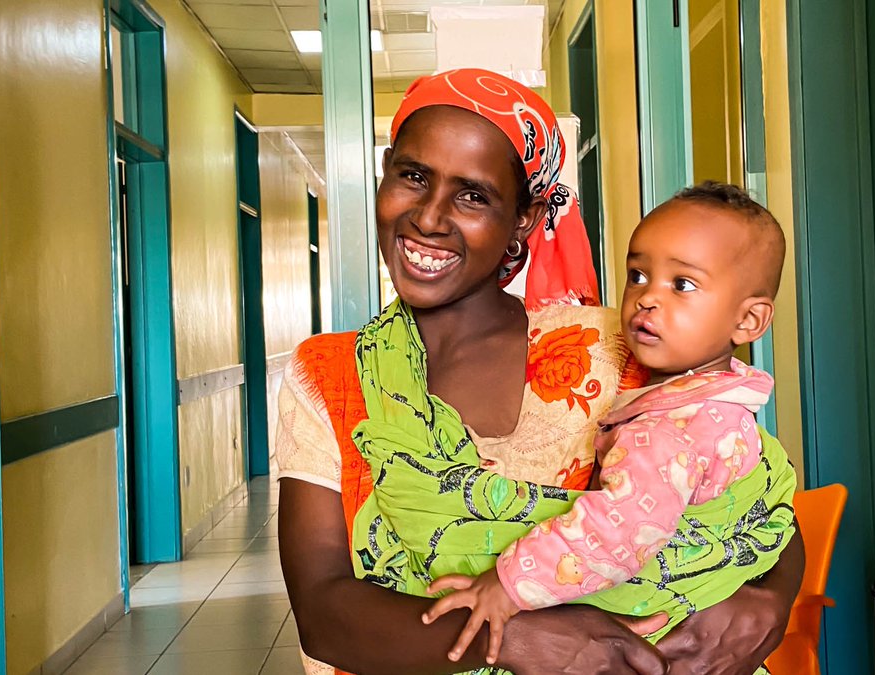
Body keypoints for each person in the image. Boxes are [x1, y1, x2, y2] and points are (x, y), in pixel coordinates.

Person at [276, 69, 805, 675]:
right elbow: (322, 611)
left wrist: (768, 600)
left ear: (524, 218)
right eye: (413, 177)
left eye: (473, 194)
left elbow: (755, 499)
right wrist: (523, 639)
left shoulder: (621, 347)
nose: (428, 217)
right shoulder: (330, 375)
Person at [420, 182, 797, 672]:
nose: (646, 300)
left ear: (748, 321)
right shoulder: (726, 398)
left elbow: (615, 533)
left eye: (682, 285)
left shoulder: (667, 430)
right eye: (638, 275)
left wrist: (508, 584)